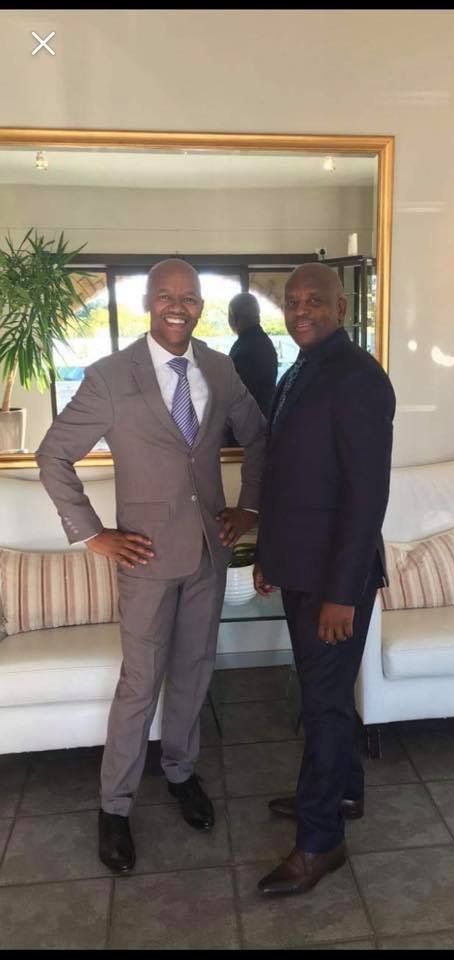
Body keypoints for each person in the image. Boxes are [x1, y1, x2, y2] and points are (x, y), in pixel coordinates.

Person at [36, 258, 266, 874]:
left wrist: (248, 508)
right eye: (165, 296)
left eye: (188, 297)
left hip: (209, 554)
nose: (177, 306)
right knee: (140, 684)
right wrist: (94, 535)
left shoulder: (220, 367)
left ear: (199, 306)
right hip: (144, 556)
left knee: (193, 671)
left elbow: (259, 435)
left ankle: (181, 772)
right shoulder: (112, 377)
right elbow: (53, 455)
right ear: (146, 301)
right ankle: (114, 807)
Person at [253, 262, 395, 897]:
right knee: (328, 698)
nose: (301, 310)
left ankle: (319, 842)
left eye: (315, 300)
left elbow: (366, 497)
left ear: (342, 306)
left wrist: (342, 591)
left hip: (335, 580)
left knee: (323, 702)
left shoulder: (358, 377)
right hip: (300, 567)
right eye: (292, 301)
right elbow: (293, 477)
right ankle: (341, 794)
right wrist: (269, 554)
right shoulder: (303, 367)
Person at [225, 292, 278, 445]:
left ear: (233, 318)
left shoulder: (246, 349)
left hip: (248, 432)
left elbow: (239, 397)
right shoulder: (261, 342)